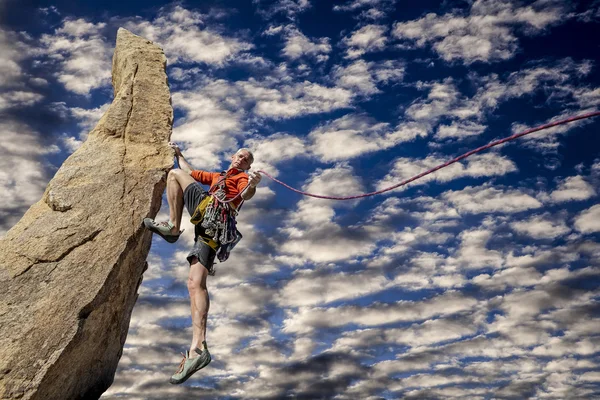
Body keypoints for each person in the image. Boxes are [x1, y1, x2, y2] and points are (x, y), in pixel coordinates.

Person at [143, 142, 261, 384]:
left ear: (249, 165)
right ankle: (198, 348)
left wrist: (252, 183)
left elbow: (246, 193)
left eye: (246, 159)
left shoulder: (240, 178)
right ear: (232, 156)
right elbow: (192, 171)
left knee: (174, 175)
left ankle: (174, 227)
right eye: (239, 155)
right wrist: (179, 154)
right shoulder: (218, 175)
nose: (241, 160)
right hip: (208, 224)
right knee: (194, 283)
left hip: (215, 216)